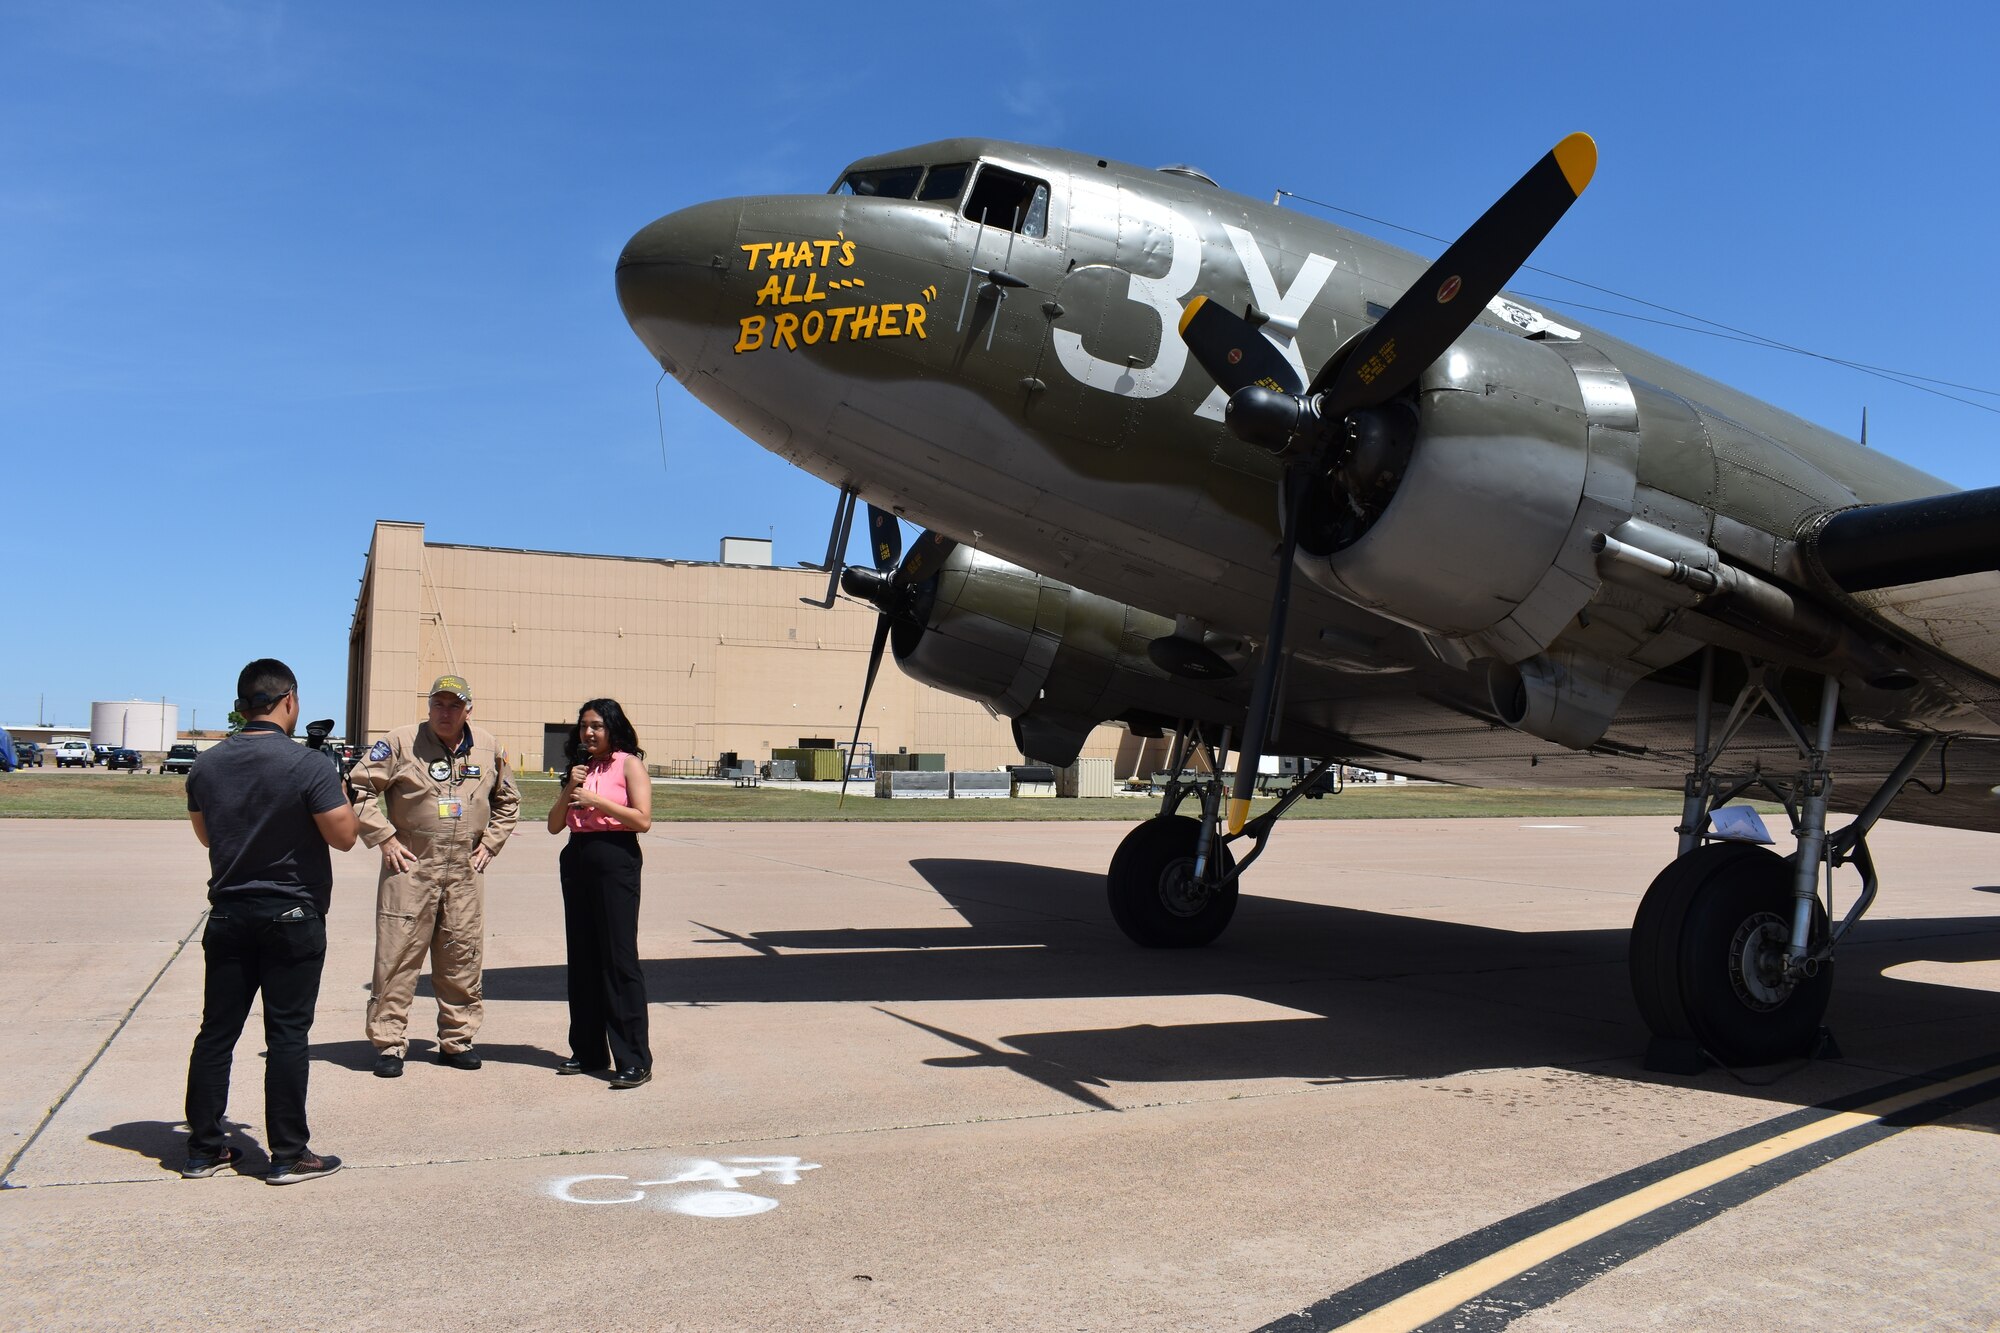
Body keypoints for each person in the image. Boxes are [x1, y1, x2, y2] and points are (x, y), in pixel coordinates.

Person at [182, 659, 358, 1184]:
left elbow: (208, 837)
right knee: (286, 1035)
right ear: (289, 701)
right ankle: (286, 1153)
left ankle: (203, 1147)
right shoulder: (308, 766)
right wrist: (340, 790)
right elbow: (344, 836)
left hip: (231, 912)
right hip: (291, 915)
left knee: (217, 1032)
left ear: (241, 708)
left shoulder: (205, 767)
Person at [347, 674, 519, 1077]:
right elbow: (357, 789)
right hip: (410, 865)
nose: (445, 712)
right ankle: (389, 1044)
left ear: (468, 710)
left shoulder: (490, 747)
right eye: (438, 704)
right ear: (428, 707)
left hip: (464, 869)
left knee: (462, 954)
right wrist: (384, 837)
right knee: (398, 955)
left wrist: (490, 843)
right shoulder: (400, 742)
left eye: (454, 705)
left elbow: (509, 801)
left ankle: (457, 1040)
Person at [546, 698, 654, 1088]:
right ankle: (588, 1050)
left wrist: (598, 800)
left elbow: (643, 820)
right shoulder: (580, 768)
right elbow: (554, 825)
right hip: (577, 857)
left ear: (612, 728)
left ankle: (634, 1058)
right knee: (583, 958)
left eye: (596, 726)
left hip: (615, 857)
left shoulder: (629, 764)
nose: (588, 732)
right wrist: (571, 787)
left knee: (618, 958)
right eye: (583, 726)